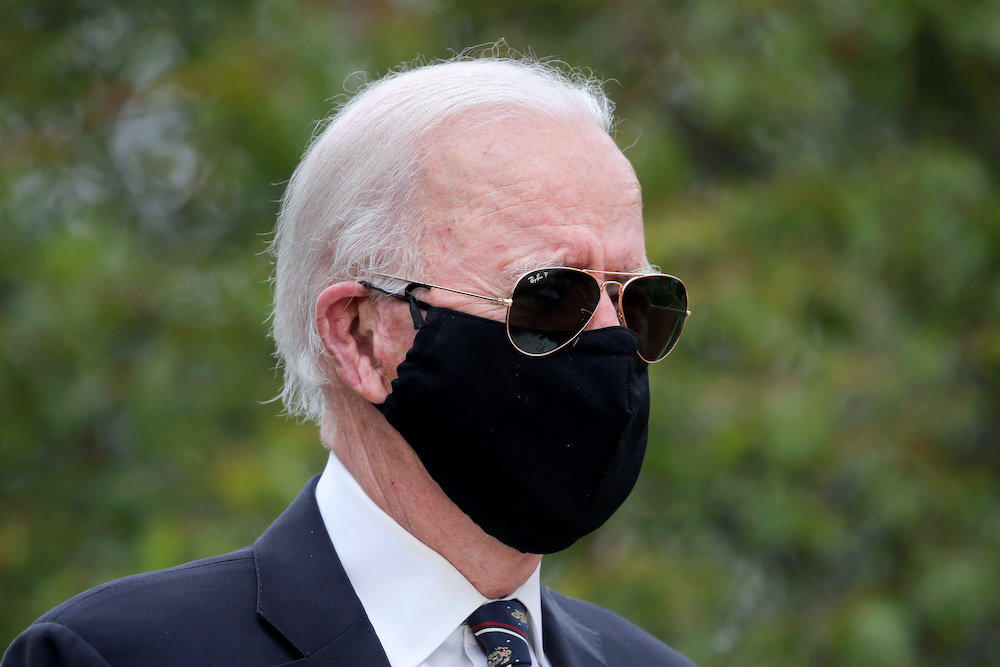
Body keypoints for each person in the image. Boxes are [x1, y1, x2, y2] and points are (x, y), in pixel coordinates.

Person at [3, 52, 695, 667]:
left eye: (639, 302)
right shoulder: (113, 655)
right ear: (362, 335)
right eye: (550, 297)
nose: (611, 341)